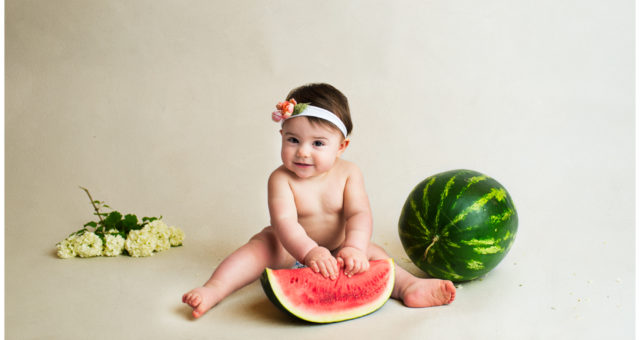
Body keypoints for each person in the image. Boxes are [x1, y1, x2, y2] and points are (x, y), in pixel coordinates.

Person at [182, 83, 456, 319]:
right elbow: (285, 223)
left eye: (318, 144)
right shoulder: (280, 179)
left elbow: (359, 214)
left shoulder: (349, 173)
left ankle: (408, 287)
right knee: (255, 251)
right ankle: (215, 288)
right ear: (282, 136)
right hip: (288, 248)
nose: (302, 152)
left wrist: (354, 248)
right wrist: (310, 253)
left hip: (339, 247)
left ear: (341, 147)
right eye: (293, 140)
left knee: (376, 256)